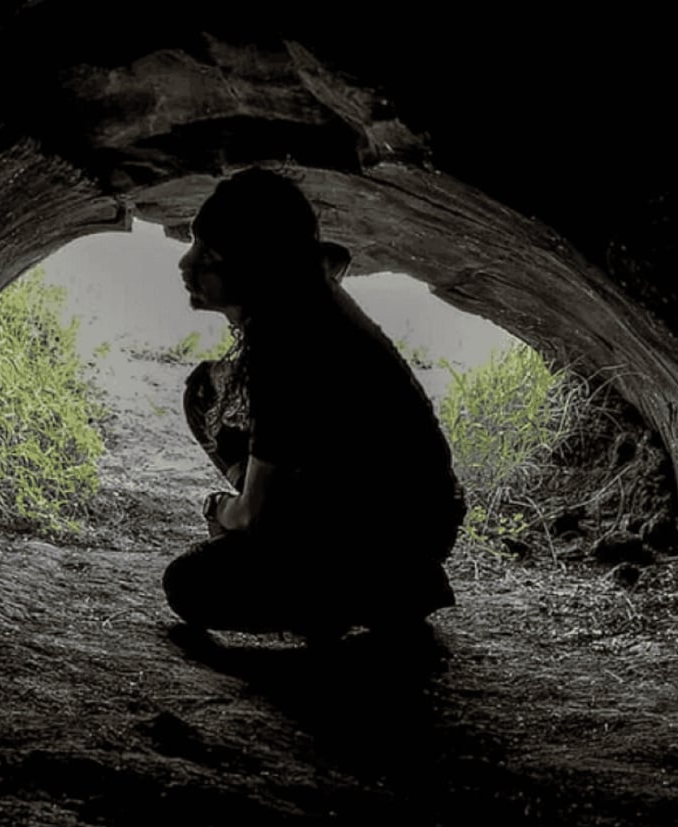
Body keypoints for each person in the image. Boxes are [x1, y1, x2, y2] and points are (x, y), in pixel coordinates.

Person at [161, 167, 466, 642]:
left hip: (392, 533)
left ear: (252, 267)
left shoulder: (286, 346)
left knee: (188, 585)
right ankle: (357, 577)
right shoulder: (307, 302)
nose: (186, 263)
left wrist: (221, 509)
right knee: (206, 393)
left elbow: (252, 513)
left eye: (209, 254)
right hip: (407, 511)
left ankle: (378, 588)